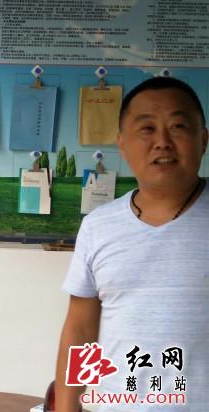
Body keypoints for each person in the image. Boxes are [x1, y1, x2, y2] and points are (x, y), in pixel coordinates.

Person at [55, 76, 209, 411]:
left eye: (178, 126)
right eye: (147, 128)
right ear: (122, 144)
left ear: (203, 139)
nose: (162, 142)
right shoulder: (98, 226)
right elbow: (80, 330)